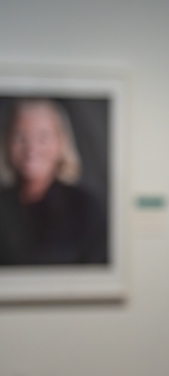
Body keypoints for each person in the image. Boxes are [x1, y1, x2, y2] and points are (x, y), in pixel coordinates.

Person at [0, 98, 108, 265]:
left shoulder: (86, 208)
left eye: (43, 137)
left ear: (61, 143)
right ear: (6, 142)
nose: (31, 148)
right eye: (20, 137)